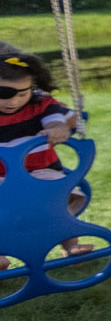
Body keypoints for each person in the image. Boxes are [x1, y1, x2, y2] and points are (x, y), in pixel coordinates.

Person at [0, 42, 91, 256]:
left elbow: (57, 120)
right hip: (1, 176)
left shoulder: (40, 104)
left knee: (56, 199)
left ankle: (70, 245)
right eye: (5, 93)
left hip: (41, 171)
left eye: (22, 94)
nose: (14, 102)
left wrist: (58, 128)